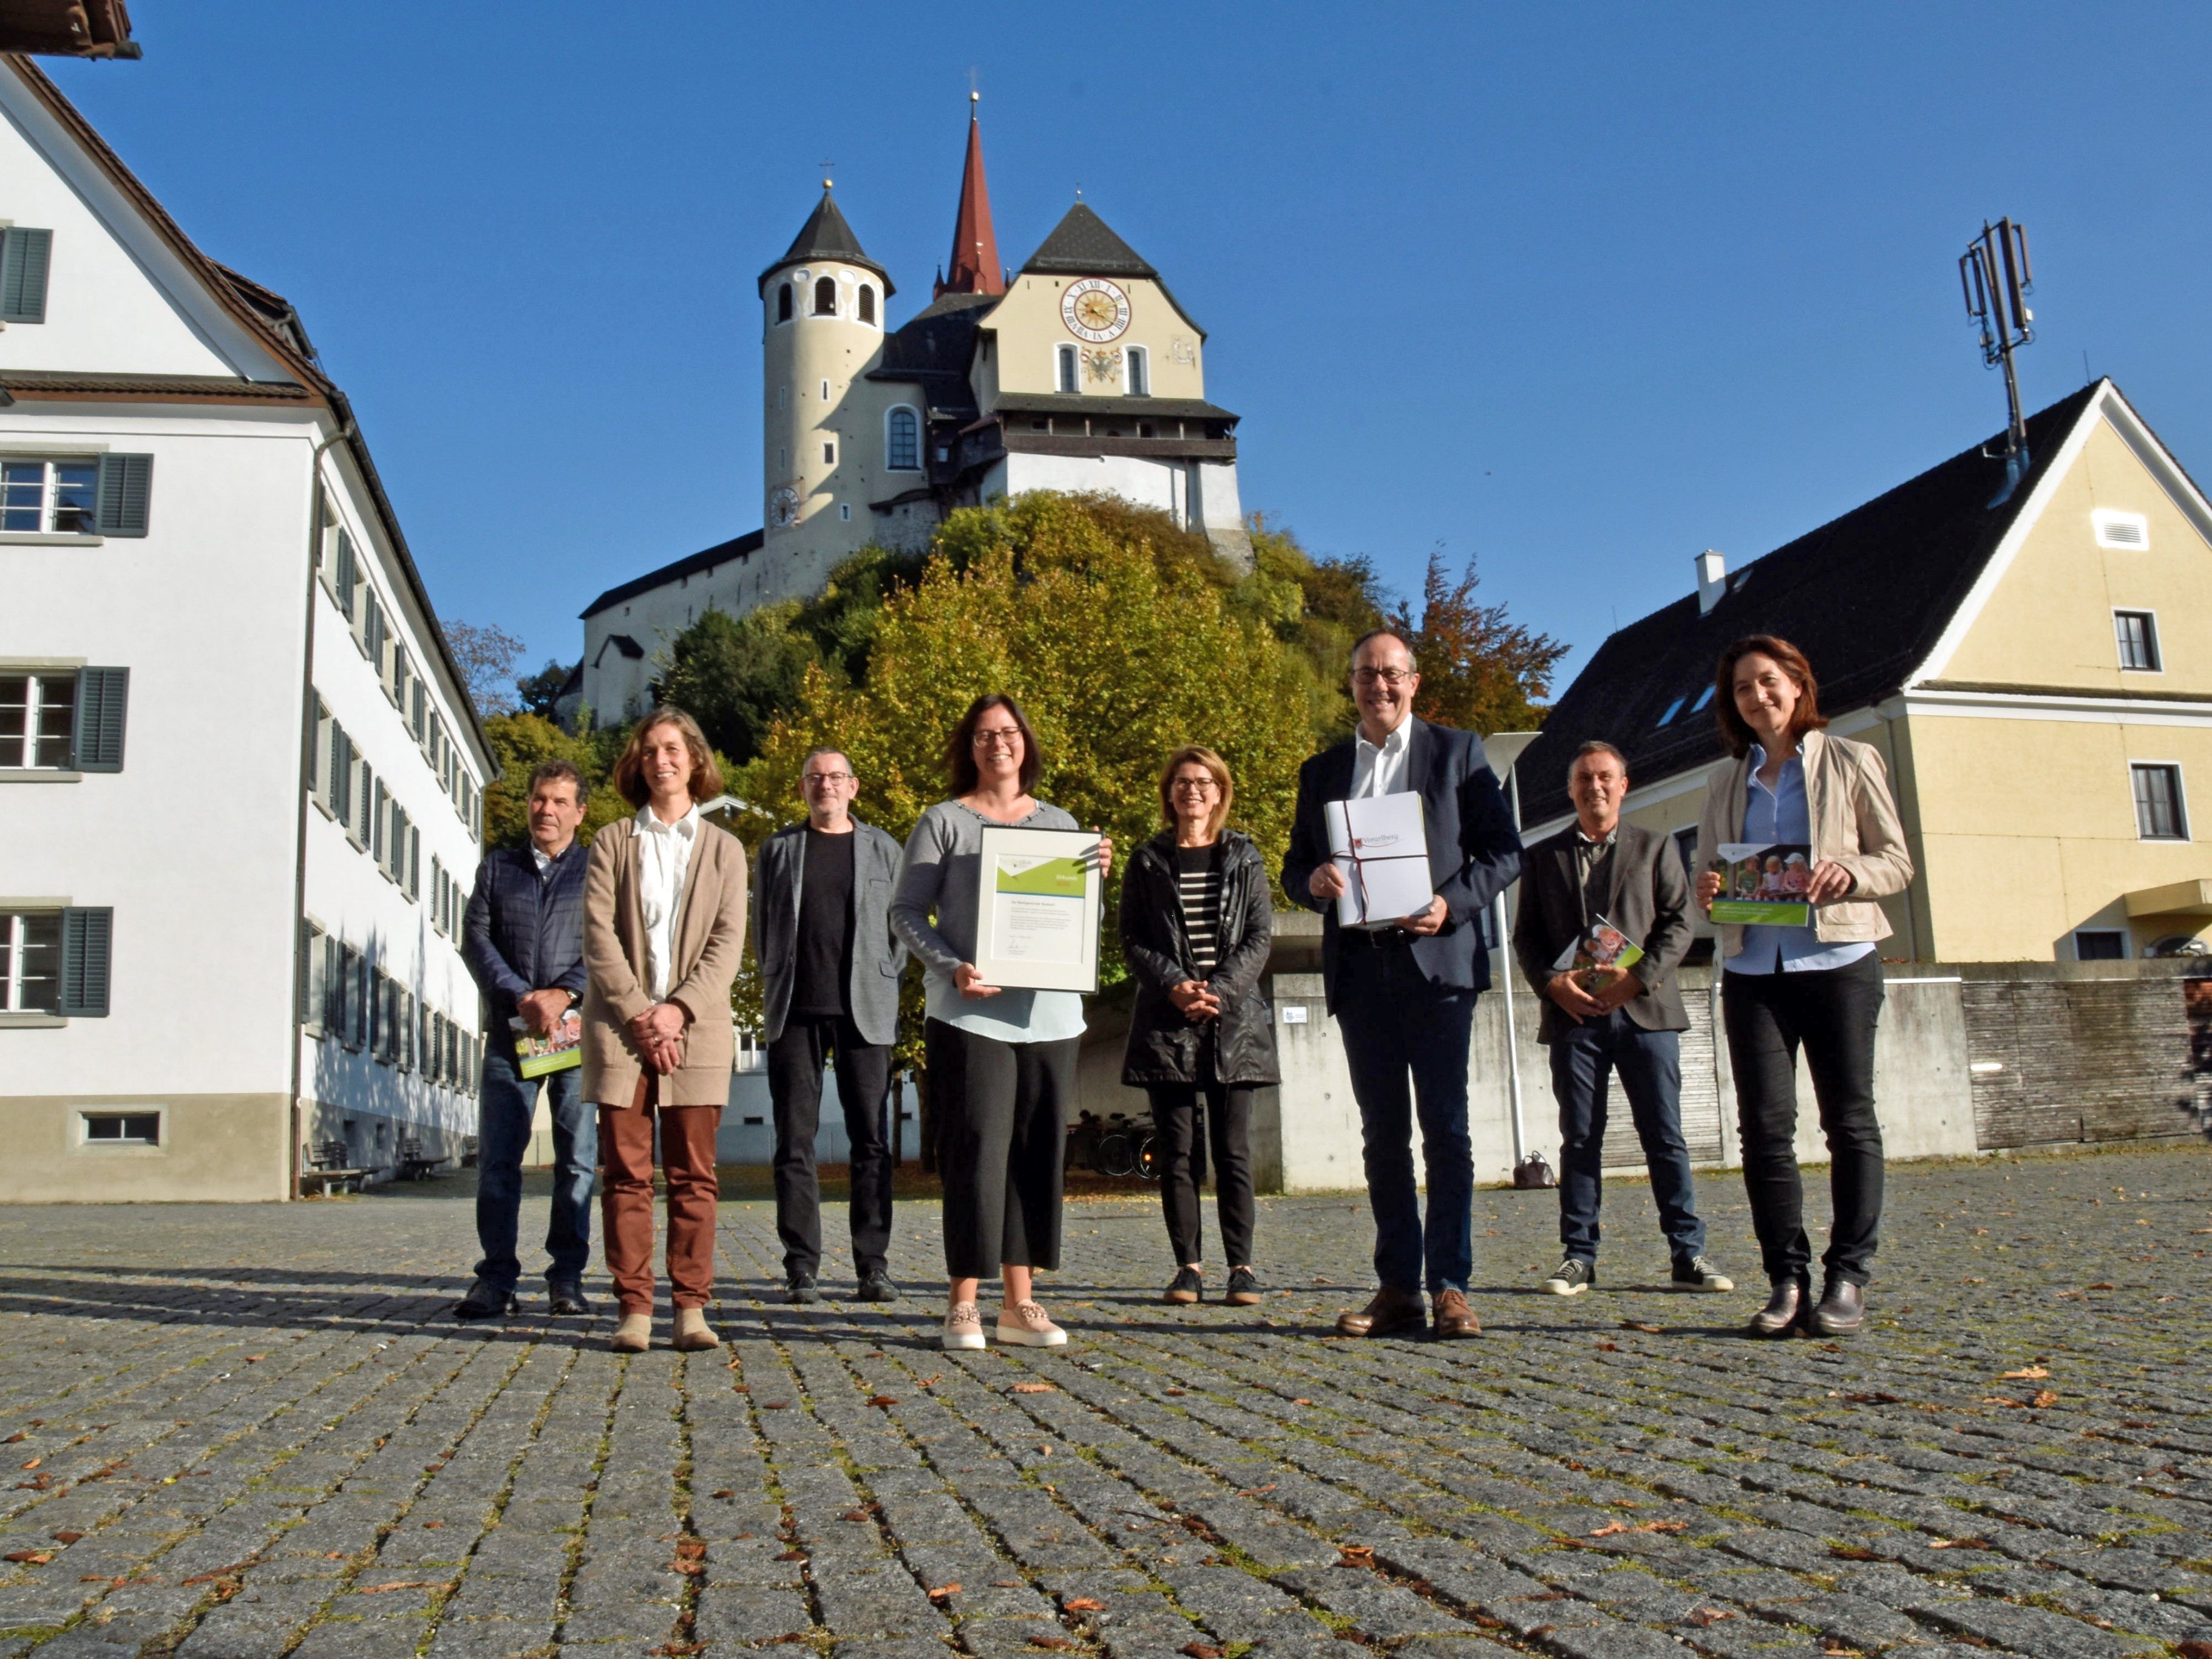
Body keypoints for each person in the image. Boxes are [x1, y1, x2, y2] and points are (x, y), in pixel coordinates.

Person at [1281, 629, 1524, 1340]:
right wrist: (1313, 882)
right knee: (1381, 1136)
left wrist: (1452, 903)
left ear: (1413, 682)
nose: (1377, 686)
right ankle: (1396, 1289)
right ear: (1350, 685)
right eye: (1364, 675)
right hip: (1361, 970)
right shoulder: (1321, 770)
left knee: (1446, 1133)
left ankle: (1450, 1286)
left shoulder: (1458, 753)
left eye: (1390, 674)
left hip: (1436, 964)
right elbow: (1296, 865)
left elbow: (1504, 853)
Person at [1692, 636, 1912, 1339]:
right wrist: (1708, 889)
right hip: (1753, 966)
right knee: (1763, 1132)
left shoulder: (1849, 759)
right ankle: (1784, 1281)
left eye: (1767, 682)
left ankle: (1846, 1278)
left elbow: (1896, 860)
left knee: (1848, 1120)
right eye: (1741, 689)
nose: (1756, 697)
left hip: (1838, 959)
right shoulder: (1724, 779)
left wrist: (1848, 873)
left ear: (1796, 684)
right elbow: (1707, 876)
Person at [891, 694, 1111, 1353]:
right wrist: (950, 966)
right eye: (985, 734)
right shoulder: (943, 823)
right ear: (969, 745)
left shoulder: (1062, 823)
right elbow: (904, 913)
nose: (998, 744)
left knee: (1036, 1155)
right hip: (970, 1014)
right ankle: (963, 1303)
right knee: (977, 1151)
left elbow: (1079, 927)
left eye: (1009, 733)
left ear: (1026, 742)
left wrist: (1094, 883)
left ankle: (1021, 1305)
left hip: (1050, 1016)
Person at [1511, 740, 1732, 1298]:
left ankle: (1688, 1253)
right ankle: (1578, 1256)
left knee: (1665, 1135)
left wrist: (1639, 978)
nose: (1595, 787)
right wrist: (1551, 984)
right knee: (1579, 1137)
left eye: (1605, 776)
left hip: (1646, 1014)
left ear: (1624, 784)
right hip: (1575, 1017)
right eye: (1584, 778)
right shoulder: (1542, 855)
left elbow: (1679, 924)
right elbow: (1526, 937)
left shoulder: (1655, 848)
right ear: (1571, 789)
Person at [581, 706, 748, 1354]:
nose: (662, 760)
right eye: (650, 750)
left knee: (693, 1176)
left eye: (674, 748)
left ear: (696, 760)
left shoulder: (725, 849)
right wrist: (639, 1013)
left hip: (696, 1029)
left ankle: (690, 1307)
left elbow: (727, 941)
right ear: (637, 763)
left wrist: (677, 1010)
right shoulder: (611, 841)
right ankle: (634, 1308)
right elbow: (598, 936)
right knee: (624, 1174)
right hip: (621, 1028)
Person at [1118, 745, 1277, 1307]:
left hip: (1233, 1025)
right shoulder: (1146, 859)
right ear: (1169, 792)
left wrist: (1220, 991)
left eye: (1204, 782)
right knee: (1178, 1152)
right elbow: (1132, 937)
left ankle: (1243, 1267)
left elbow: (1260, 935)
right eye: (1183, 781)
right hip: (1168, 1023)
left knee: (1233, 1152)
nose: (1193, 791)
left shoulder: (1245, 857)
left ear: (1220, 791)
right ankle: (1187, 1266)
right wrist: (1174, 985)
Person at [753, 746, 908, 1305]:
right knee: (795, 1143)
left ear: (853, 787)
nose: (826, 785)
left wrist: (884, 975)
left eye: (836, 777)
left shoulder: (884, 848)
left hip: (865, 1012)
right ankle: (802, 1268)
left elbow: (900, 927)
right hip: (795, 1009)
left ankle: (874, 1267)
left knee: (871, 1141)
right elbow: (763, 928)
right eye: (816, 777)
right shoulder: (778, 850)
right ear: (803, 788)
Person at [454, 761, 596, 1321]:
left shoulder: (597, 871)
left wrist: (564, 994)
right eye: (540, 799)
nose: (547, 810)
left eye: (560, 801)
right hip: (510, 1038)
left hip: (574, 1037)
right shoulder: (497, 869)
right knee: (499, 1162)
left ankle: (567, 1277)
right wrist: (521, 996)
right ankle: (495, 1280)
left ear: (580, 812)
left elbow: (612, 944)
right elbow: (476, 939)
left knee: (577, 1163)